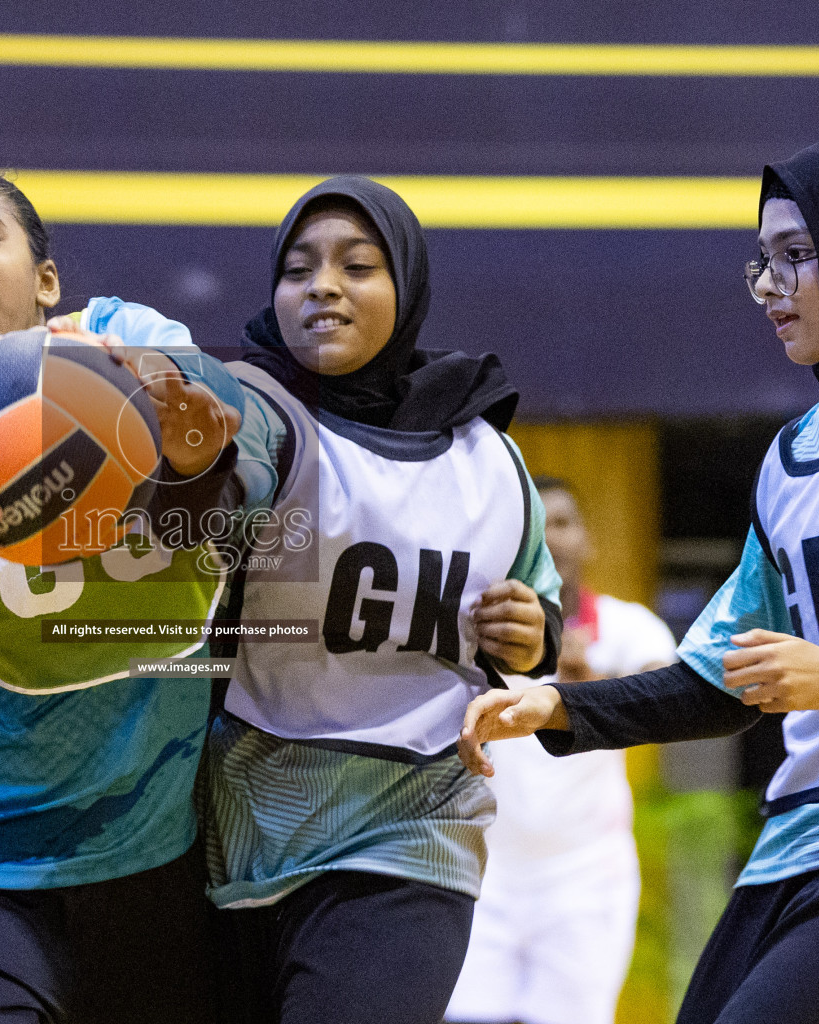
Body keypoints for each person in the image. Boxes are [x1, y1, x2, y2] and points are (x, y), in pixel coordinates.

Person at [460, 134, 819, 1024]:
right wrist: (560, 710)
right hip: (801, 841)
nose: (769, 287)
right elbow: (725, 677)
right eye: (761, 260)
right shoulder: (794, 454)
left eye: (798, 256)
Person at [0, 167, 245, 1024]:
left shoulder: (118, 336)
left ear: (48, 280)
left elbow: (219, 435)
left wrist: (188, 438)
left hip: (153, 847)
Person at [202, 176, 562, 1024]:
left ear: (407, 287)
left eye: (357, 266)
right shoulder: (249, 410)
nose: (322, 285)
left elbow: (537, 599)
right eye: (298, 269)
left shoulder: (487, 454)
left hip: (414, 829)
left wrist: (530, 631)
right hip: (241, 825)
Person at [447, 476, 676, 1024]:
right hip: (483, 869)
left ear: (589, 540)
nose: (552, 537)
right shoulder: (470, 633)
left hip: (586, 876)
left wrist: (591, 690)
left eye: (565, 522)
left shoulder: (628, 627)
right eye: (538, 526)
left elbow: (672, 701)